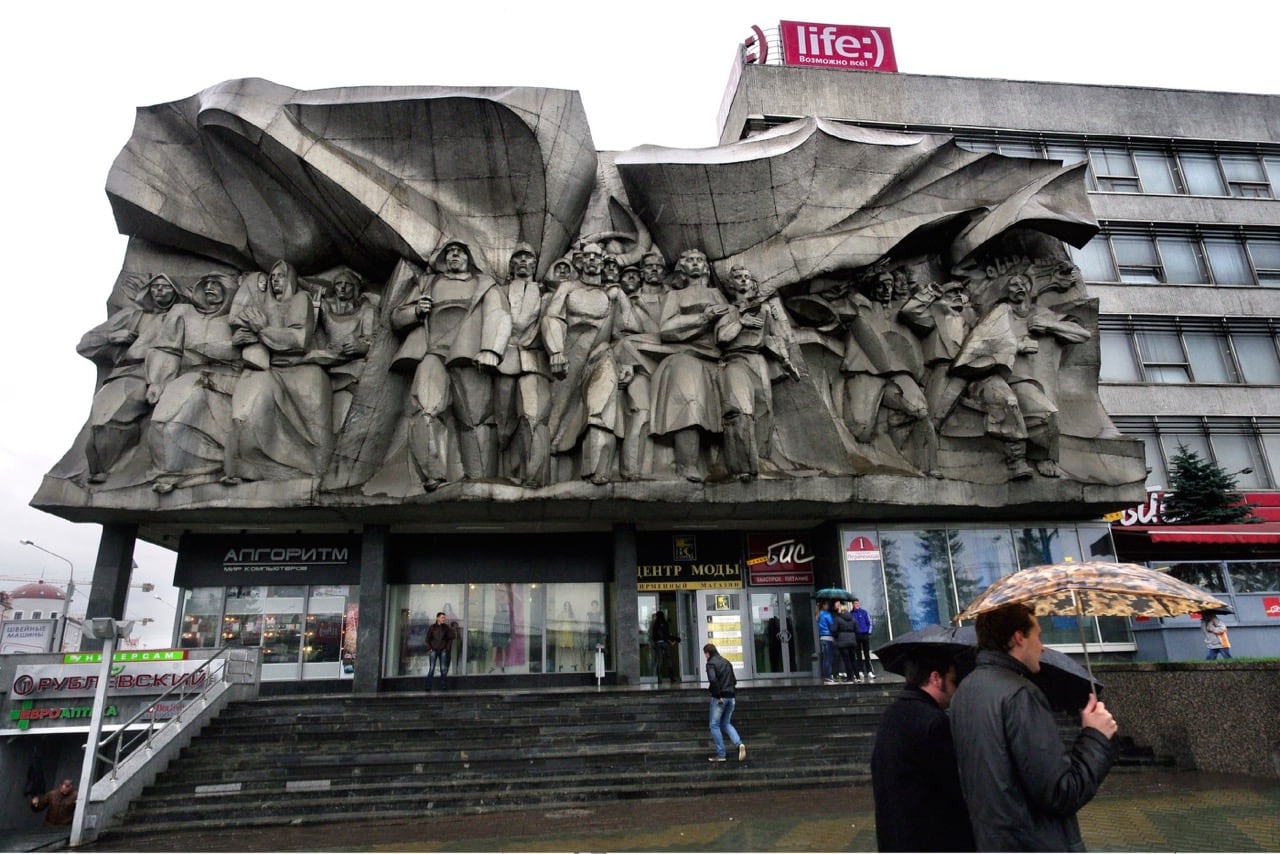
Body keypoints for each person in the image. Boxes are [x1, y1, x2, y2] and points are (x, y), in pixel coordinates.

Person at [950, 603, 1118, 851]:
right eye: (1038, 635)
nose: (1042, 647)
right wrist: (1096, 736)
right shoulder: (1020, 695)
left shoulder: (966, 690)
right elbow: (1061, 793)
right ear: (1019, 638)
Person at [390, 240, 511, 490]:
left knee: (476, 419)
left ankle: (479, 479)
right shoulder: (428, 283)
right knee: (424, 409)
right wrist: (415, 311)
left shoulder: (485, 284)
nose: (455, 256)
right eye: (450, 253)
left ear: (469, 257)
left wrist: (491, 350)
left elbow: (499, 316)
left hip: (469, 357)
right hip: (433, 354)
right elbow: (396, 317)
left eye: (460, 252)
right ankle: (432, 476)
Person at [871, 650, 975, 852]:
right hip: (932, 838)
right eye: (953, 681)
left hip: (895, 837)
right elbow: (953, 787)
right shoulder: (934, 722)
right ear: (936, 678)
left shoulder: (892, 714)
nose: (955, 690)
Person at [703, 642, 746, 762]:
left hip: (720, 698)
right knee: (726, 723)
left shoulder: (711, 663)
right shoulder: (726, 662)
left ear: (708, 653)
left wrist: (718, 695)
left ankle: (721, 754)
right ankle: (739, 744)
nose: (705, 657)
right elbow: (734, 680)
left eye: (705, 654)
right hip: (731, 697)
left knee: (714, 725)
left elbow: (713, 679)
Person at [425, 611, 457, 690]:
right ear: (437, 618)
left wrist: (447, 648)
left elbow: (452, 636)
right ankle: (428, 686)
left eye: (444, 618)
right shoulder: (432, 627)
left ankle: (444, 686)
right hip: (434, 651)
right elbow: (427, 639)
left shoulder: (446, 627)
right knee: (431, 668)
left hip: (443, 651)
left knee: (443, 669)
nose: (444, 619)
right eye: (442, 617)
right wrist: (430, 648)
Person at [849, 597, 874, 682]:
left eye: (858, 603)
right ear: (852, 604)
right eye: (855, 603)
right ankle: (860, 670)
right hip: (856, 636)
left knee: (867, 654)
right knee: (858, 654)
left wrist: (869, 632)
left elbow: (869, 623)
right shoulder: (851, 614)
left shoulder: (864, 612)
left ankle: (869, 671)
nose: (857, 605)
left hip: (864, 635)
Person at [649, 610, 677, 683]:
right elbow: (667, 635)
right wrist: (672, 640)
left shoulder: (655, 624)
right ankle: (671, 677)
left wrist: (654, 643)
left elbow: (653, 635)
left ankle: (659, 679)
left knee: (660, 660)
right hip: (665, 643)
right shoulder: (665, 623)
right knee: (669, 659)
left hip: (658, 643)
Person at [832, 602, 858, 683]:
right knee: (853, 659)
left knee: (846, 660)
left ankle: (850, 678)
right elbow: (857, 630)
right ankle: (857, 676)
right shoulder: (853, 619)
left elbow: (834, 630)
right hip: (852, 642)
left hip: (843, 642)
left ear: (841, 610)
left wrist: (837, 636)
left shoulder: (838, 619)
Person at [816, 601, 837, 684]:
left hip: (822, 637)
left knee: (825, 658)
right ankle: (828, 676)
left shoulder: (819, 614)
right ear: (824, 605)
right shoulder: (826, 615)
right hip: (828, 637)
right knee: (829, 658)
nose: (828, 606)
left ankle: (827, 675)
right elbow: (832, 625)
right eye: (827, 605)